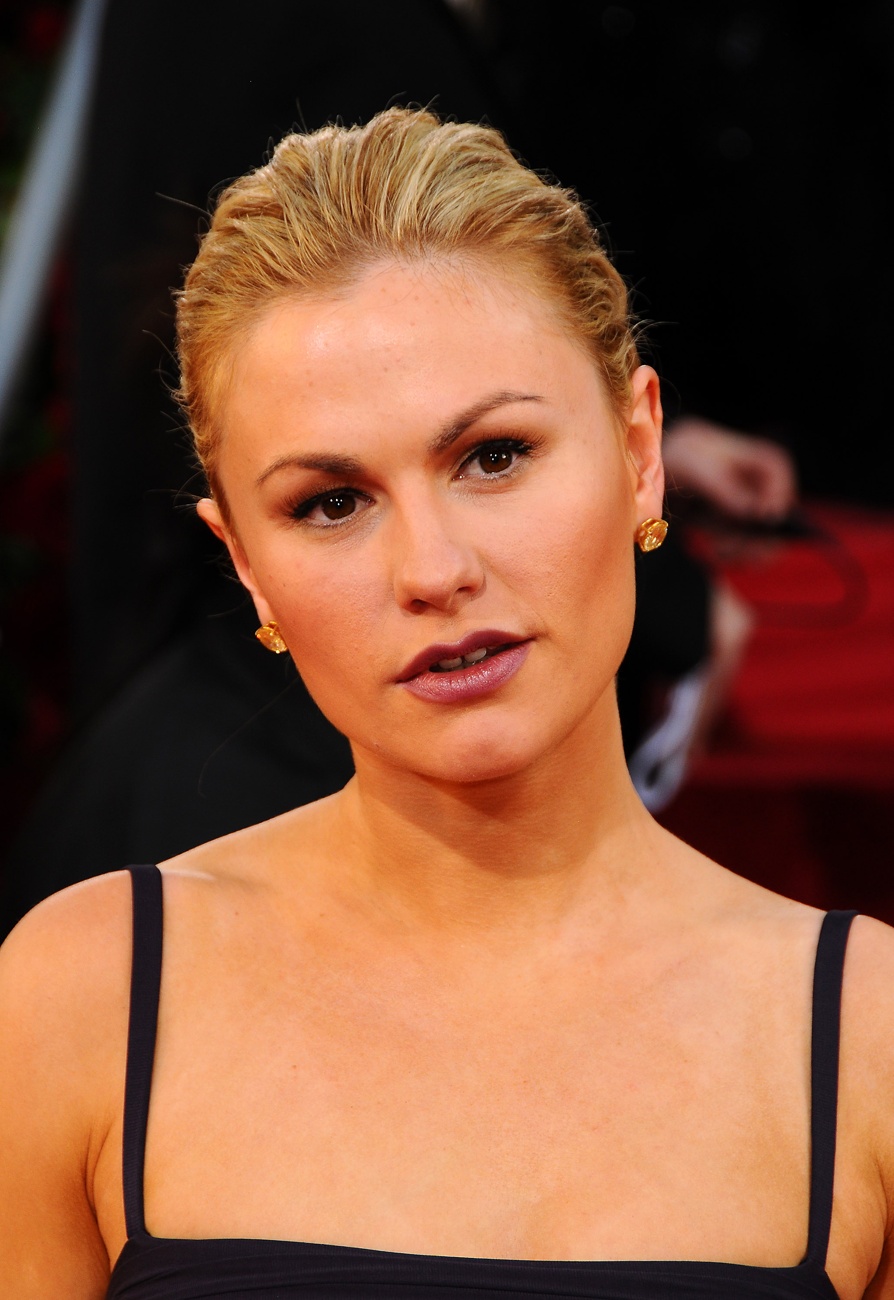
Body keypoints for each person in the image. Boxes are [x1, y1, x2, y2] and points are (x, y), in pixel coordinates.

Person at [2, 107, 892, 1300]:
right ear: (245, 561)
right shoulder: (86, 995)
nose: (432, 569)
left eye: (494, 456)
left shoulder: (868, 1038)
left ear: (641, 452)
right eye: (330, 503)